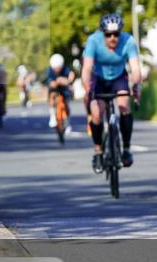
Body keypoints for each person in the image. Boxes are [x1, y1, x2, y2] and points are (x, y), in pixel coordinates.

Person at [81, 13, 142, 172]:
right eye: (108, 34)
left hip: (119, 78)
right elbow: (87, 68)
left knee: (124, 106)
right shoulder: (93, 41)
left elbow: (135, 68)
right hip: (99, 79)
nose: (113, 38)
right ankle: (98, 152)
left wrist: (136, 86)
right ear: (103, 33)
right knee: (96, 113)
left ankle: (126, 150)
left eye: (116, 34)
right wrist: (87, 88)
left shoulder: (128, 41)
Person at [46, 53, 75, 133]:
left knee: (66, 105)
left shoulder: (65, 69)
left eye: (58, 68)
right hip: (55, 88)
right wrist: (58, 81)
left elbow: (71, 75)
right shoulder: (50, 71)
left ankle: (67, 123)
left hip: (64, 88)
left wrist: (68, 80)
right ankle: (52, 116)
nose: (57, 70)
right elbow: (50, 82)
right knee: (52, 96)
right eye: (55, 68)